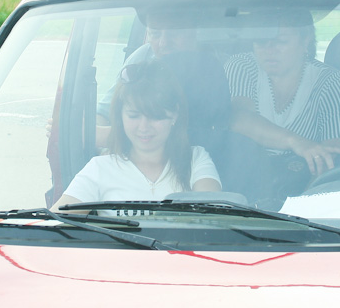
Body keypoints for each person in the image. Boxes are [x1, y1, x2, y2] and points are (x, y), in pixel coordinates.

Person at [223, 8, 340, 197]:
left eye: (280, 41)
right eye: (261, 41)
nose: (269, 50)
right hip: (241, 187)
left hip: (306, 187)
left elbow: (333, 154)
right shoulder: (242, 65)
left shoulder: (331, 81)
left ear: (305, 40)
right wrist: (297, 142)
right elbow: (238, 118)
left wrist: (305, 202)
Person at [54, 60, 222, 208]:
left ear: (175, 115)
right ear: (120, 115)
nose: (143, 127)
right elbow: (55, 222)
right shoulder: (99, 168)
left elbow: (213, 215)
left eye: (155, 116)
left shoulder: (195, 160)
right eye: (133, 116)